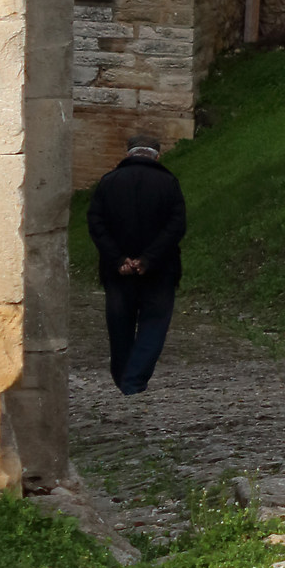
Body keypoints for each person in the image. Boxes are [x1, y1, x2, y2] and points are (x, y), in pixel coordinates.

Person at [87, 134, 188, 397]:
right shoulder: (168, 183)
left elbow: (96, 223)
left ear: (128, 154)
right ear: (156, 155)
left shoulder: (108, 183)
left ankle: (123, 379)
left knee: (120, 326)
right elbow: (176, 226)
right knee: (153, 325)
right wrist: (148, 259)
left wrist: (118, 259)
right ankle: (134, 380)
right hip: (159, 270)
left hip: (117, 272)